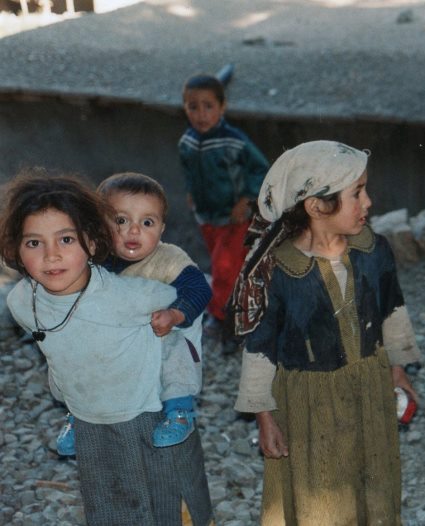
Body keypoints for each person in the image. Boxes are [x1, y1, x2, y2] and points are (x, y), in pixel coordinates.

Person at [0, 172, 213, 525]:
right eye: (34, 243)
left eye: (65, 239)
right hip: (92, 409)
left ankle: (180, 410)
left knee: (165, 492)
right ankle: (74, 416)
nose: (52, 256)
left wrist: (176, 315)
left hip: (150, 393)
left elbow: (190, 292)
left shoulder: (146, 282)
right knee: (107, 492)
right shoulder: (25, 300)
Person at [232, 140, 420, 525]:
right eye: (357, 193)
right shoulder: (282, 271)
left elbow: (393, 310)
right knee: (320, 494)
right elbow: (261, 347)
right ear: (317, 206)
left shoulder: (373, 250)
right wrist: (264, 417)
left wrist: (397, 370)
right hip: (308, 407)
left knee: (374, 481)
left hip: (368, 390)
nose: (368, 202)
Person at [54, 172, 213, 455]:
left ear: (162, 228)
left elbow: (199, 289)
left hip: (156, 342)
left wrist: (175, 315)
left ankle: (179, 411)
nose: (134, 231)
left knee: (176, 352)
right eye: (121, 221)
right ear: (100, 224)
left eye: (147, 222)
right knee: (76, 356)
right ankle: (81, 418)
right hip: (112, 348)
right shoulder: (92, 261)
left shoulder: (168, 259)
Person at [179, 72, 270, 353]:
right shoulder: (187, 142)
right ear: (185, 108)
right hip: (208, 217)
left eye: (208, 106)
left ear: (222, 107)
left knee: (224, 267)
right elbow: (189, 170)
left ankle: (225, 323)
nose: (201, 114)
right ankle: (237, 307)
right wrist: (192, 192)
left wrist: (247, 198)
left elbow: (260, 168)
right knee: (226, 266)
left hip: (235, 219)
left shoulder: (234, 142)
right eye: (193, 107)